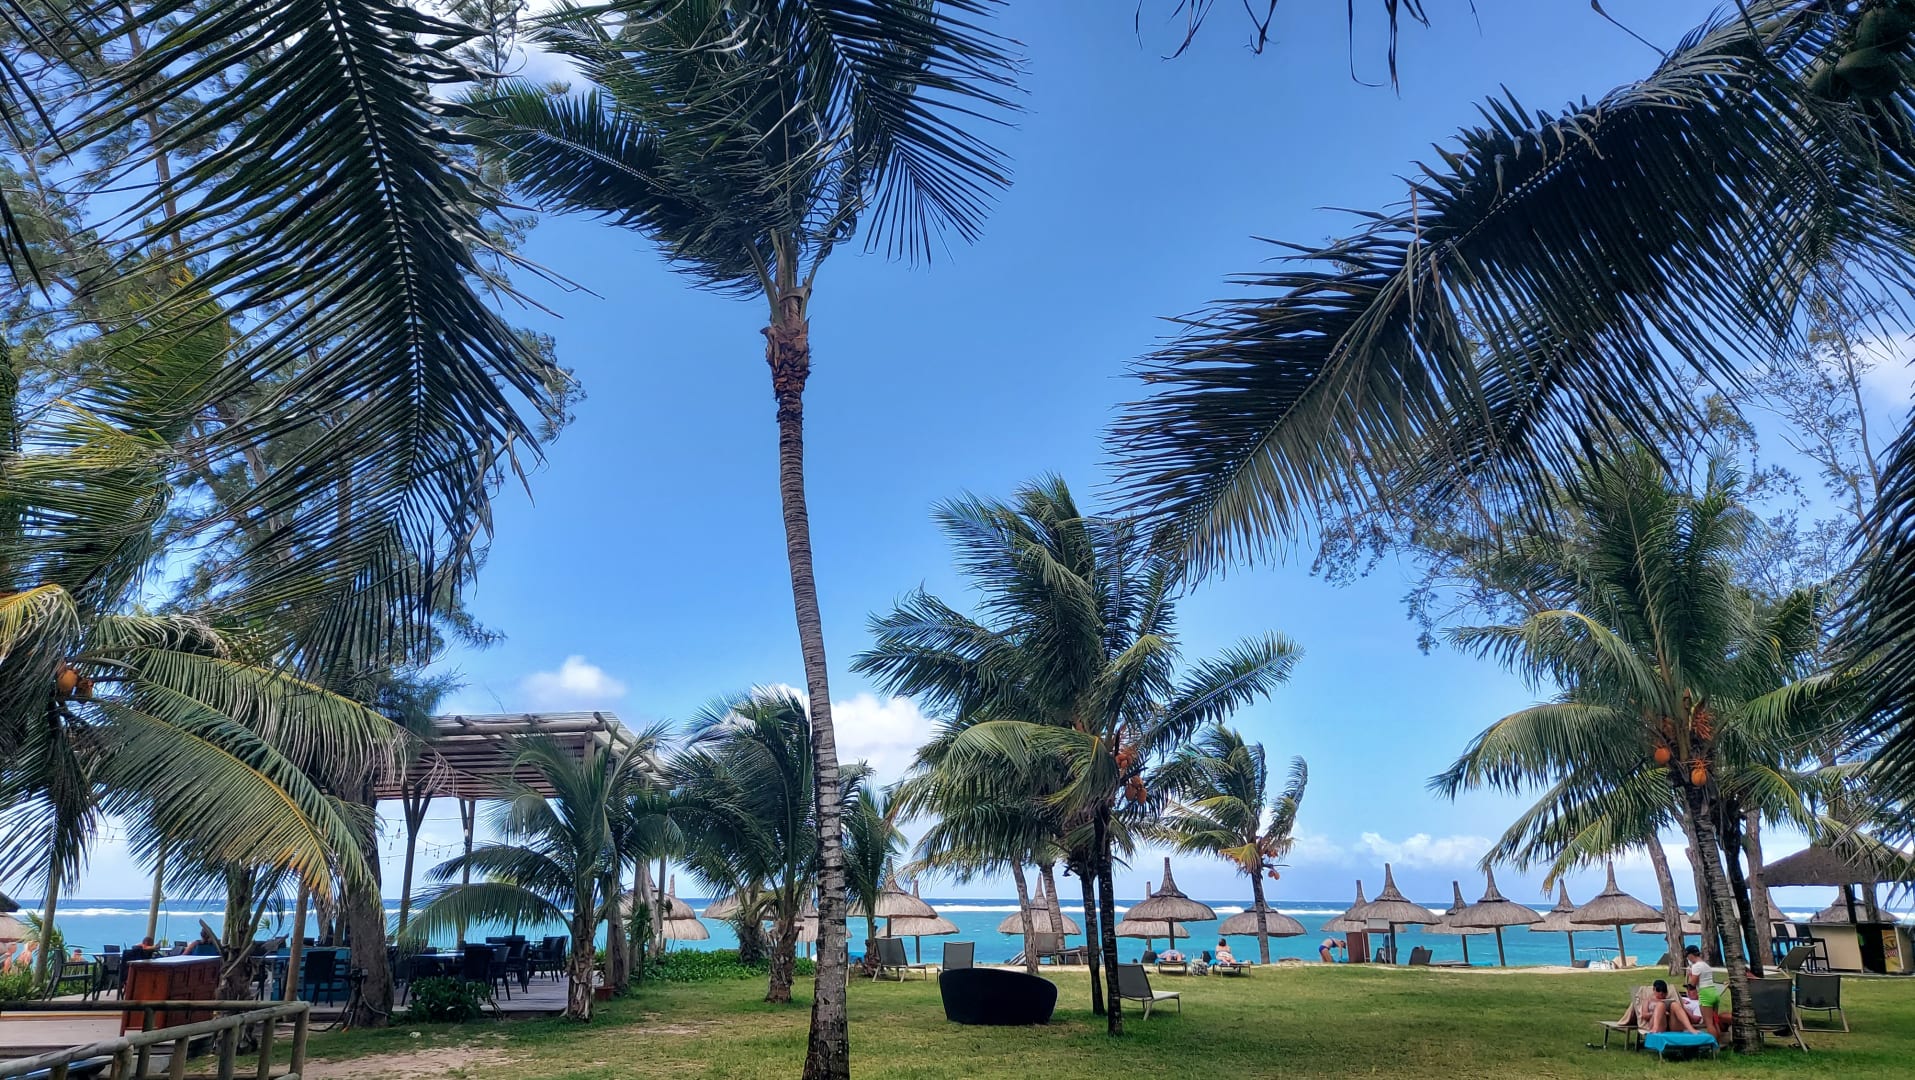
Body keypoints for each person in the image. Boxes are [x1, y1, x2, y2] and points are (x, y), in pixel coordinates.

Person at [1616, 979, 1703, 1035]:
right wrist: (1658, 1013)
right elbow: (1644, 1015)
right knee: (1660, 1005)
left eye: (1664, 992)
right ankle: (1655, 1030)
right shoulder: (1647, 1000)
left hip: (1671, 1025)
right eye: (1658, 991)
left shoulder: (1669, 999)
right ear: (1654, 989)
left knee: (1674, 1004)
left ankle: (1691, 1029)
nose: (1661, 994)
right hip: (1656, 1024)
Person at [1684, 945, 1726, 1034]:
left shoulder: (1696, 966)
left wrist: (1690, 974)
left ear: (1691, 955)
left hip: (1705, 993)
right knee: (1715, 1021)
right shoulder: (1705, 965)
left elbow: (1692, 984)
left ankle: (1713, 1042)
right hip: (1713, 992)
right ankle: (1718, 1041)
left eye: (1687, 956)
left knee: (1709, 1023)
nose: (1688, 958)